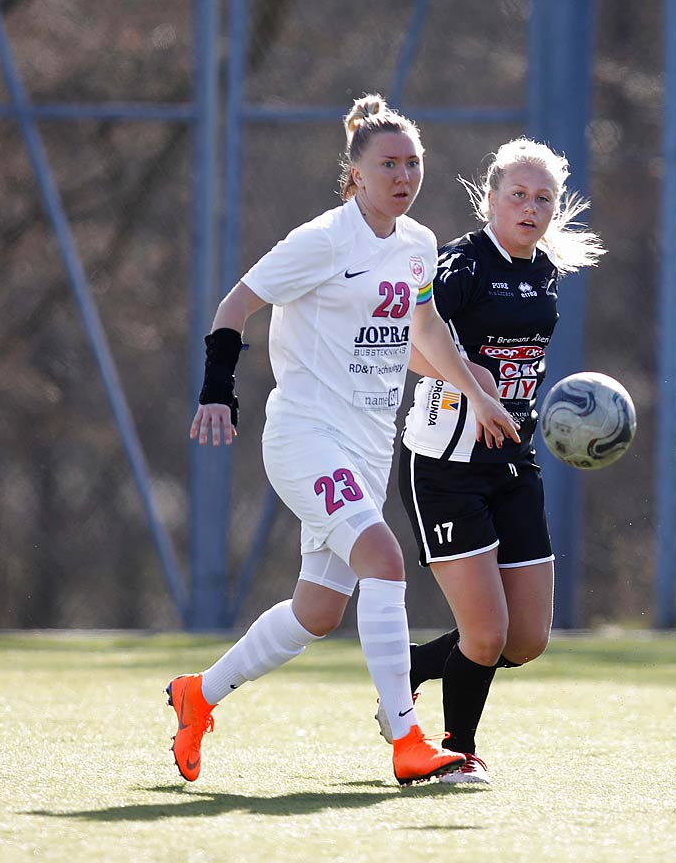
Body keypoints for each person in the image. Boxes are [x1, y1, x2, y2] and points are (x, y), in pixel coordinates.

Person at [168, 95, 520, 787]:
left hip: (363, 448)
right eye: (387, 163)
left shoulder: (418, 244)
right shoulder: (325, 240)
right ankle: (406, 740)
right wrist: (218, 390)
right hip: (304, 438)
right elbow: (236, 305)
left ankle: (198, 696)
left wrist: (475, 391)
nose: (403, 174)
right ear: (355, 173)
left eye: (413, 162)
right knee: (383, 560)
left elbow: (422, 334)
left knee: (317, 612)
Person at [377, 139, 605, 785]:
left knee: (524, 638)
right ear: (491, 198)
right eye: (517, 196)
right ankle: (454, 751)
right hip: (445, 467)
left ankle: (416, 668)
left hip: (513, 463)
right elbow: (408, 342)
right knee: (485, 634)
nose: (530, 209)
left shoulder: (544, 272)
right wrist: (473, 387)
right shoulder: (462, 266)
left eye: (543, 200)